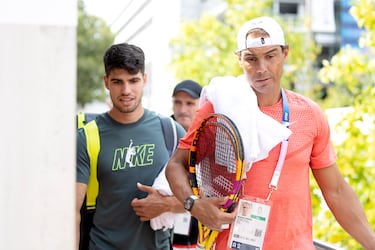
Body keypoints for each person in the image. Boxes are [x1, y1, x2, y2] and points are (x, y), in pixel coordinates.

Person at [165, 16, 375, 249]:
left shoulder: (310, 113)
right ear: (239, 59)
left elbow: (336, 191)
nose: (261, 68)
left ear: (285, 53)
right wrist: (193, 204)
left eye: (270, 56)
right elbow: (176, 165)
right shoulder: (217, 109)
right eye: (251, 59)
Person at [76, 43, 186, 250]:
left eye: (133, 81)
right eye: (118, 82)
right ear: (106, 82)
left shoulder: (171, 131)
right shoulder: (87, 137)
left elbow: (202, 199)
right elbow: (71, 212)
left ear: (144, 79)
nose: (126, 91)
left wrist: (168, 204)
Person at [170, 80, 202, 249]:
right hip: (164, 237)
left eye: (190, 103)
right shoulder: (163, 133)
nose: (183, 110)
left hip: (200, 237)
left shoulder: (212, 135)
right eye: (178, 102)